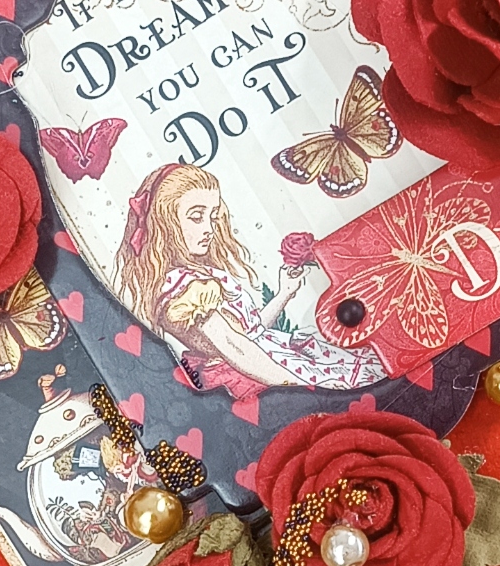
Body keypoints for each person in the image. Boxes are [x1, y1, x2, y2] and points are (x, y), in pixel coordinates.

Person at [114, 163, 377, 423]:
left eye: (212, 217)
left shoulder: (201, 273)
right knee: (346, 392)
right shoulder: (182, 288)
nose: (209, 228)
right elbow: (235, 347)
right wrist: (300, 386)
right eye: (196, 217)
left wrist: (284, 293)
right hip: (257, 374)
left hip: (266, 357)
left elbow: (250, 332)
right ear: (164, 223)